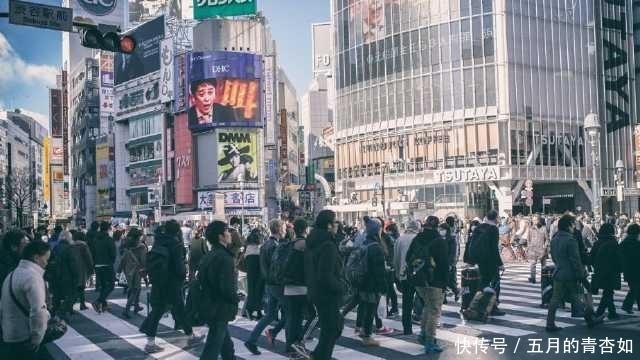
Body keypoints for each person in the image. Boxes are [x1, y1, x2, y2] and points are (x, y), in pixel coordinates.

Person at [140, 221, 203, 353]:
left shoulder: (158, 242)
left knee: (159, 310)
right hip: (172, 283)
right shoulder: (175, 244)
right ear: (176, 231)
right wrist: (183, 275)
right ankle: (190, 336)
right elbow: (179, 268)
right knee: (179, 309)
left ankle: (151, 342)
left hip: (158, 282)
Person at [546, 214, 602, 332]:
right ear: (568, 226)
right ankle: (590, 319)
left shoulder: (555, 239)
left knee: (555, 299)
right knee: (578, 298)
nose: (574, 227)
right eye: (572, 224)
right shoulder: (571, 240)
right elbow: (576, 261)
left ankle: (550, 323)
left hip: (558, 272)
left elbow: (553, 256)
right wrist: (582, 277)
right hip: (570, 274)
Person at [0, 240, 51, 360]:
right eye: (46, 258)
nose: (47, 263)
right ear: (36, 258)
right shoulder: (32, 277)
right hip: (25, 337)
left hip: (10, 334)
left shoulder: (12, 274)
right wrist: (36, 338)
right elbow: (38, 311)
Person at [305, 210, 345, 360]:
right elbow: (325, 274)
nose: (337, 225)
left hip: (315, 291)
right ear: (329, 225)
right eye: (335, 222)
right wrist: (340, 287)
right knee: (332, 328)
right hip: (328, 293)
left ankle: (318, 355)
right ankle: (321, 356)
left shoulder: (313, 241)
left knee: (330, 327)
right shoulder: (328, 245)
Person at [245, 219, 287, 355]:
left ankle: (252, 340)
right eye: (283, 227)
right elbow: (278, 268)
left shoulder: (265, 245)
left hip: (268, 283)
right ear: (279, 229)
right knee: (291, 312)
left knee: (270, 315)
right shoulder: (276, 246)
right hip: (277, 284)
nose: (285, 230)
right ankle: (287, 342)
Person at [199, 221, 239, 360]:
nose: (229, 234)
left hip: (209, 303)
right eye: (227, 231)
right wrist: (235, 299)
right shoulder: (225, 257)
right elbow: (226, 287)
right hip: (220, 306)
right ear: (221, 236)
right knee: (213, 346)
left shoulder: (209, 255)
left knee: (225, 344)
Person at [356, 218, 388, 347]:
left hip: (363, 281)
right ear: (377, 231)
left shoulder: (364, 243)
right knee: (371, 309)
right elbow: (379, 270)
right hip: (372, 283)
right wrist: (383, 286)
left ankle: (364, 330)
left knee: (366, 308)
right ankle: (367, 336)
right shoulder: (376, 247)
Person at [283, 218, 310, 358]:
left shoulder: (288, 244)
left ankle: (290, 347)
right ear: (306, 229)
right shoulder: (305, 244)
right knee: (311, 315)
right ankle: (298, 342)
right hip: (301, 286)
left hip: (287, 286)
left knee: (292, 318)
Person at [393, 219, 421, 335]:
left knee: (406, 302)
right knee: (421, 299)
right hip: (418, 274)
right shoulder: (419, 239)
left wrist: (397, 275)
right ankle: (421, 322)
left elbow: (396, 259)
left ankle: (407, 328)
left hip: (404, 275)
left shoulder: (400, 239)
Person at [590, 223, 622, 319]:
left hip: (600, 271)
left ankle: (611, 312)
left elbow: (591, 258)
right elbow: (618, 258)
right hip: (611, 272)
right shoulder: (613, 243)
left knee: (608, 292)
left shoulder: (597, 243)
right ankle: (601, 313)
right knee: (608, 292)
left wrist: (596, 266)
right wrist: (620, 269)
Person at [118, 228, 147, 318]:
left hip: (128, 270)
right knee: (135, 289)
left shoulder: (126, 246)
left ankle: (136, 306)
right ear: (138, 237)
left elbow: (123, 259)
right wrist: (145, 273)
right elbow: (143, 260)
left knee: (134, 289)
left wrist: (119, 270)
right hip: (137, 270)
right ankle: (126, 310)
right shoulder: (141, 247)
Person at [89, 221, 116, 313]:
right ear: (108, 229)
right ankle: (98, 301)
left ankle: (103, 305)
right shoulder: (109, 239)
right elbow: (113, 253)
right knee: (111, 285)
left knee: (104, 286)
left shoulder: (95, 239)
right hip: (107, 264)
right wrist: (111, 261)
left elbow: (92, 252)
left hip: (97, 265)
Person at [242, 228, 264, 321]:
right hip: (257, 260)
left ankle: (249, 310)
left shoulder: (248, 240)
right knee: (258, 288)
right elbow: (260, 244)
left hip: (249, 260)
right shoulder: (258, 238)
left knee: (251, 287)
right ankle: (257, 311)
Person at [69, 231, 93, 311]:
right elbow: (88, 258)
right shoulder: (83, 246)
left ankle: (77, 305)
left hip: (72, 268)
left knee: (75, 287)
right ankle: (77, 305)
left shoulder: (70, 246)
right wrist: (91, 268)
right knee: (81, 287)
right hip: (82, 268)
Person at [620, 223, 640, 313]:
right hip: (636, 270)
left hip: (627, 270)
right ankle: (626, 305)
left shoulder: (623, 243)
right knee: (636, 288)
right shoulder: (636, 244)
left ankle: (627, 306)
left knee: (635, 288)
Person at [527, 215, 548, 284]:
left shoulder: (544, 228)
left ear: (539, 220)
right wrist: (529, 247)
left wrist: (544, 247)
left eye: (536, 220)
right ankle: (533, 278)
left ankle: (544, 279)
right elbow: (528, 239)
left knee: (543, 266)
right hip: (533, 249)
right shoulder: (530, 229)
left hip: (542, 249)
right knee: (532, 264)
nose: (534, 221)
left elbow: (547, 240)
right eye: (533, 220)